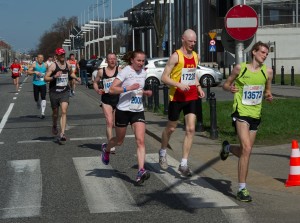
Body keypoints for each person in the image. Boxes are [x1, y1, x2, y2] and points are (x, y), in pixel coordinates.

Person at [220, 41, 273, 202]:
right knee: (247, 148)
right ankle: (242, 189)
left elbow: (268, 90)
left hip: (256, 114)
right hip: (241, 112)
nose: (265, 55)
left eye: (266, 53)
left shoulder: (268, 72)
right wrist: (230, 88)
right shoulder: (240, 68)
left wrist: (268, 95)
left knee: (246, 151)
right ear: (254, 52)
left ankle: (228, 148)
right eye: (262, 52)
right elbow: (225, 84)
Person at [100, 50, 152, 185]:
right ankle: (106, 148)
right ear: (132, 61)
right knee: (119, 141)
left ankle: (141, 170)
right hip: (123, 110)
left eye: (143, 61)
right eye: (139, 60)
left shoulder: (144, 73)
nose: (141, 63)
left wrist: (145, 92)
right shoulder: (125, 72)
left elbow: (138, 90)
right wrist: (127, 88)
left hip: (137, 110)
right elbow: (112, 89)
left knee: (140, 141)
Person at [158, 29, 205, 177]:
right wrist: (178, 85)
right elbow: (164, 78)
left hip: (191, 97)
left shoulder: (196, 56)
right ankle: (163, 151)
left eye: (195, 41)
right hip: (177, 98)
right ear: (183, 39)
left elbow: (193, 74)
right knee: (171, 129)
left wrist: (198, 87)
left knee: (190, 129)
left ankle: (183, 164)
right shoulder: (175, 56)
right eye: (190, 41)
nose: (193, 44)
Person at [44, 48, 80, 144]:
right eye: (61, 55)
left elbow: (71, 73)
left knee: (64, 111)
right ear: (57, 56)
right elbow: (45, 78)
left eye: (63, 54)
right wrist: (54, 77)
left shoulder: (68, 65)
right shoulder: (53, 66)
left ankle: (62, 133)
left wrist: (76, 77)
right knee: (55, 113)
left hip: (64, 91)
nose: (63, 56)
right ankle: (54, 124)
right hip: (54, 92)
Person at [94, 53, 122, 154]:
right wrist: (97, 90)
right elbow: (95, 82)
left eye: (114, 59)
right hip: (106, 99)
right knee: (109, 122)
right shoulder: (102, 71)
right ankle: (111, 144)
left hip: (118, 99)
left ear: (116, 60)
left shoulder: (120, 70)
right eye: (110, 59)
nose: (112, 60)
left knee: (115, 124)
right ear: (106, 61)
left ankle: (111, 142)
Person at [27, 54, 48, 119]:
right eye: (39, 58)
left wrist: (47, 77)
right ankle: (38, 102)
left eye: (42, 58)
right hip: (36, 83)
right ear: (37, 58)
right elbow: (28, 72)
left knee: (43, 97)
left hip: (43, 83)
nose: (40, 59)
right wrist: (34, 72)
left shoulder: (45, 65)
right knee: (36, 98)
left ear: (43, 58)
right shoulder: (34, 64)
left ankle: (42, 113)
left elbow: (49, 71)